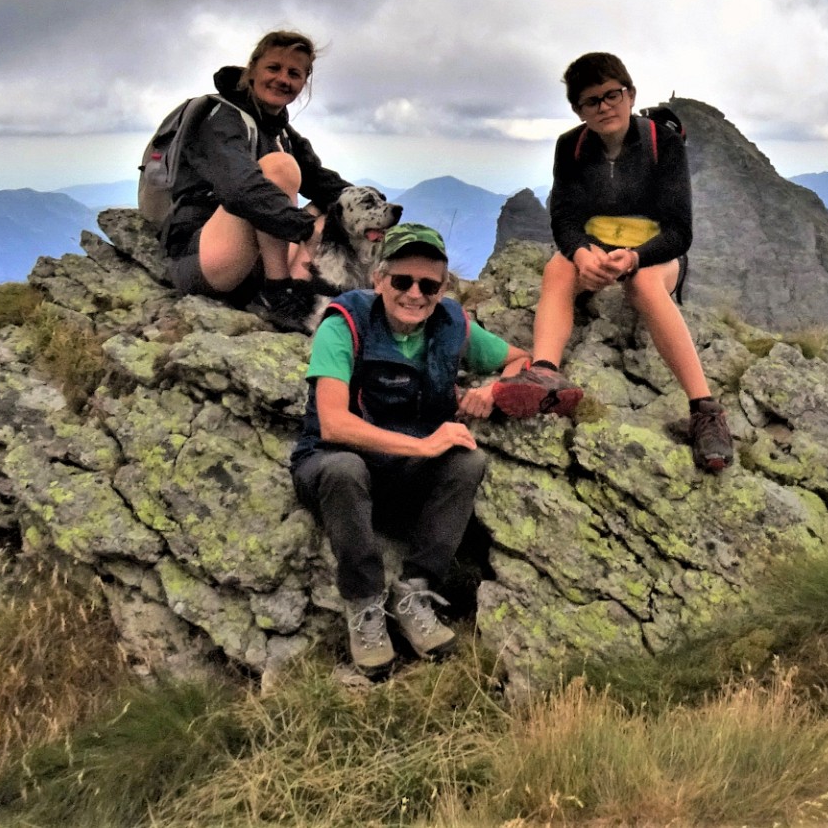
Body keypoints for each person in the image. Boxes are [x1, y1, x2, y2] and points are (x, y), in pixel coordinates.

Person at [290, 223, 531, 677]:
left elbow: (522, 360)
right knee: (343, 469)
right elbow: (335, 423)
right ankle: (364, 605)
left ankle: (416, 591)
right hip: (333, 465)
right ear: (379, 279)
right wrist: (423, 446)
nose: (415, 294)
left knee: (468, 461)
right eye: (402, 281)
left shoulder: (453, 325)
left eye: (429, 284)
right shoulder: (344, 324)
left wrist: (491, 389)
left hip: (402, 472)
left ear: (442, 289)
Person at [493, 52, 734, 471]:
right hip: (596, 247)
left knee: (642, 286)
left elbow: (679, 231)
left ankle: (705, 411)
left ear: (630, 94)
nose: (604, 106)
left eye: (612, 95)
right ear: (578, 110)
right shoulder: (570, 146)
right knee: (558, 269)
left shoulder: (664, 143)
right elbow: (565, 217)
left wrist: (634, 258)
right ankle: (546, 373)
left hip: (655, 252)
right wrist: (582, 252)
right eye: (591, 101)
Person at [160, 29, 351, 331]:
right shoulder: (219, 118)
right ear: (252, 70)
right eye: (273, 68)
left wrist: (374, 212)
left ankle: (300, 296)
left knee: (338, 208)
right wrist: (303, 229)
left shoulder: (282, 134)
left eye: (294, 73)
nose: (283, 79)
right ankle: (277, 293)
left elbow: (324, 184)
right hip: (203, 259)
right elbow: (239, 189)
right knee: (278, 168)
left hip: (253, 263)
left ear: (304, 83)